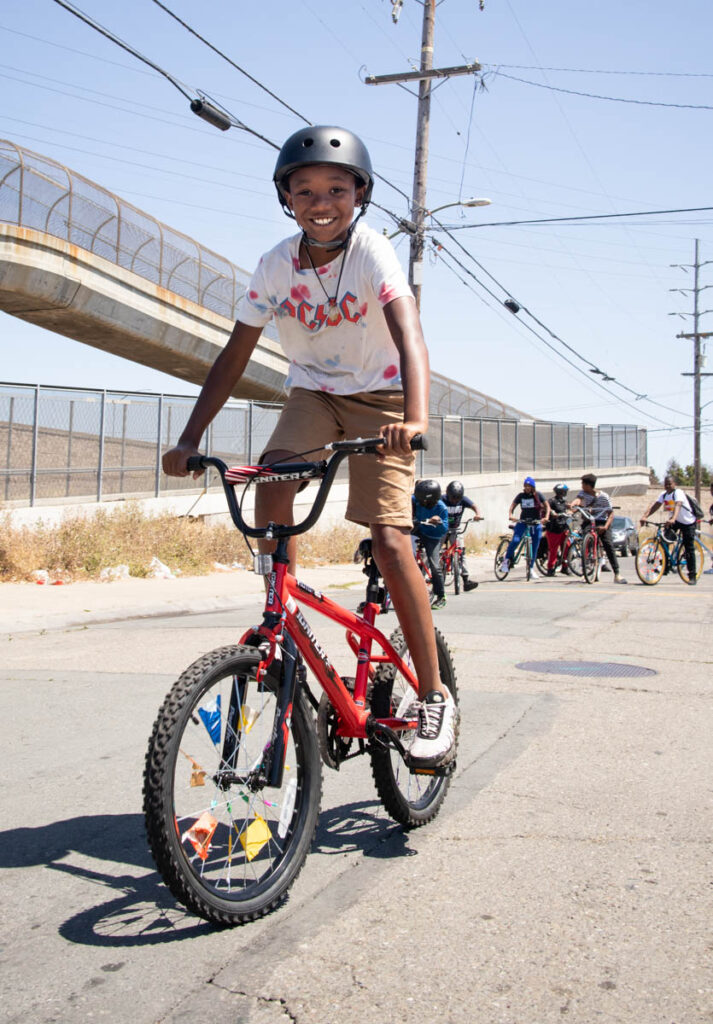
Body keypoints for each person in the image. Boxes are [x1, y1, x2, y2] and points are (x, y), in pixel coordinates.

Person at [161, 125, 455, 766]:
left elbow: (411, 337)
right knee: (271, 480)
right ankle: (279, 602)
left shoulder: (373, 253)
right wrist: (189, 439)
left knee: (391, 538)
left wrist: (415, 416)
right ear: (286, 199)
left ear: (360, 195)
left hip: (381, 401)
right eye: (305, 191)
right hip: (314, 397)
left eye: (336, 189)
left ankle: (433, 697)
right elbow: (234, 354)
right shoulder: (274, 265)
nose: (321, 201)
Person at [639, 474, 698, 585]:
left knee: (689, 547)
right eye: (665, 484)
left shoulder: (678, 493)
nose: (667, 486)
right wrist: (645, 516)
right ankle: (665, 567)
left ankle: (692, 575)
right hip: (675, 521)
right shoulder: (664, 495)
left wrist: (673, 518)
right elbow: (655, 506)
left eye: (669, 484)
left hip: (688, 522)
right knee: (663, 540)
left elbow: (678, 505)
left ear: (674, 484)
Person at [570, 473, 627, 584]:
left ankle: (617, 574)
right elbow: (578, 500)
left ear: (588, 485)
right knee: (585, 543)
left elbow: (611, 514)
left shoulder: (604, 497)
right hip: (589, 521)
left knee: (608, 545)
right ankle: (587, 571)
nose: (581, 485)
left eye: (582, 483)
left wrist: (605, 527)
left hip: (602, 522)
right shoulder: (582, 493)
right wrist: (573, 506)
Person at [500, 476, 550, 578]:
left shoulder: (538, 495)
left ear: (533, 487)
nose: (527, 488)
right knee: (515, 540)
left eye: (529, 486)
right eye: (525, 486)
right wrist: (511, 515)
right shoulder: (521, 496)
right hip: (523, 522)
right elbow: (512, 506)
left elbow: (547, 506)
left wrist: (546, 517)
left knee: (535, 546)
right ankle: (506, 561)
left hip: (535, 523)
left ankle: (531, 568)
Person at [412, 479, 449, 609]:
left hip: (432, 536)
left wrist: (437, 521)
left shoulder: (441, 508)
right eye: (420, 501)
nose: (421, 503)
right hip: (416, 530)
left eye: (424, 502)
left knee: (434, 565)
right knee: (401, 558)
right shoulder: (415, 500)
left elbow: (444, 528)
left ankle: (441, 596)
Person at [443, 479, 481, 591]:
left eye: (457, 498)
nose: (454, 500)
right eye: (452, 498)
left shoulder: (463, 500)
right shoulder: (442, 499)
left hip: (456, 528)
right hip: (443, 527)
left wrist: (478, 514)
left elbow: (474, 506)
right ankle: (432, 574)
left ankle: (465, 580)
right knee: (435, 548)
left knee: (461, 552)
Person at [544, 483, 571, 576]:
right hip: (554, 528)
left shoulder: (564, 501)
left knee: (567, 547)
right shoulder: (551, 501)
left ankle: (565, 566)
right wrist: (552, 513)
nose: (565, 493)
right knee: (553, 550)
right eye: (564, 491)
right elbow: (546, 508)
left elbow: (568, 509)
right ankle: (550, 568)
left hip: (564, 527)